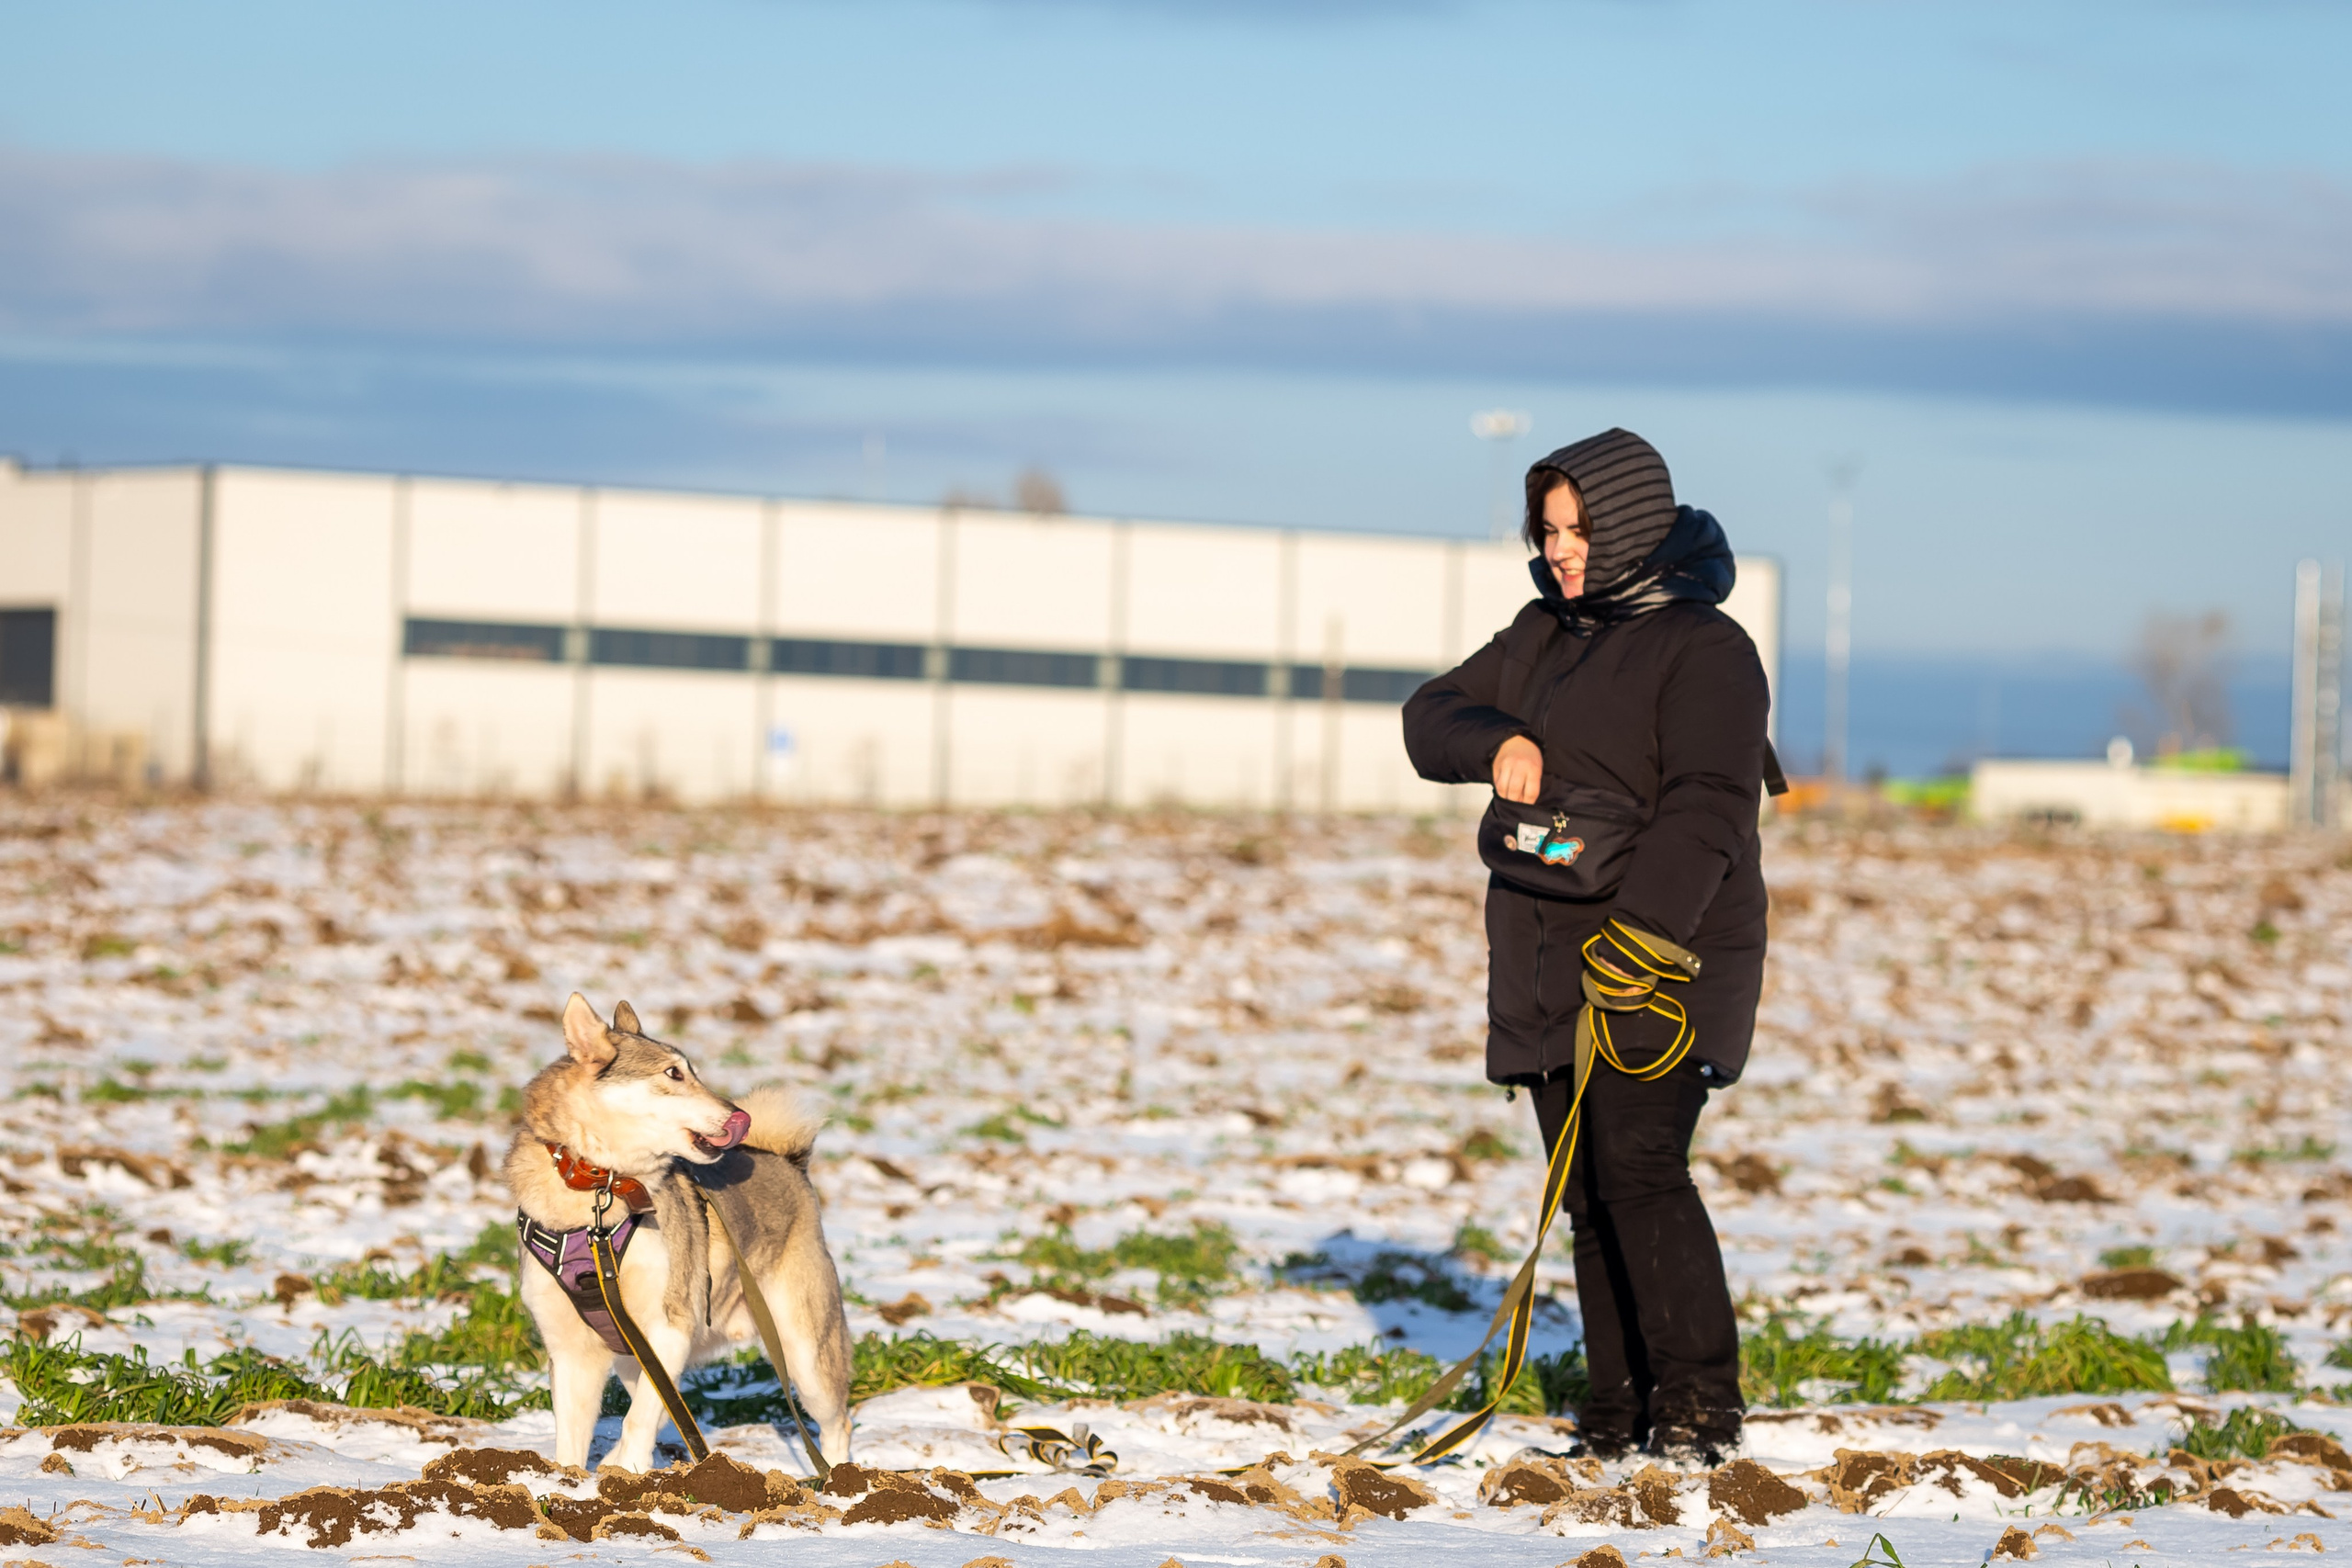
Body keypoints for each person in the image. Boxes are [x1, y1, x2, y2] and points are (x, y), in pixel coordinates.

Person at [1402, 427, 1774, 1466]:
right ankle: (1615, 1416)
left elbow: (1709, 807)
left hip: (1667, 954)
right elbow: (1428, 717)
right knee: (1587, 1193)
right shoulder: (1542, 635)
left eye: (1580, 529)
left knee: (1640, 1167)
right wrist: (1499, 738)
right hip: (1546, 958)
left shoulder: (1706, 648)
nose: (1560, 549)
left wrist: (1642, 937)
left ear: (1634, 524)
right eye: (1550, 530)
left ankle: (1698, 1412)